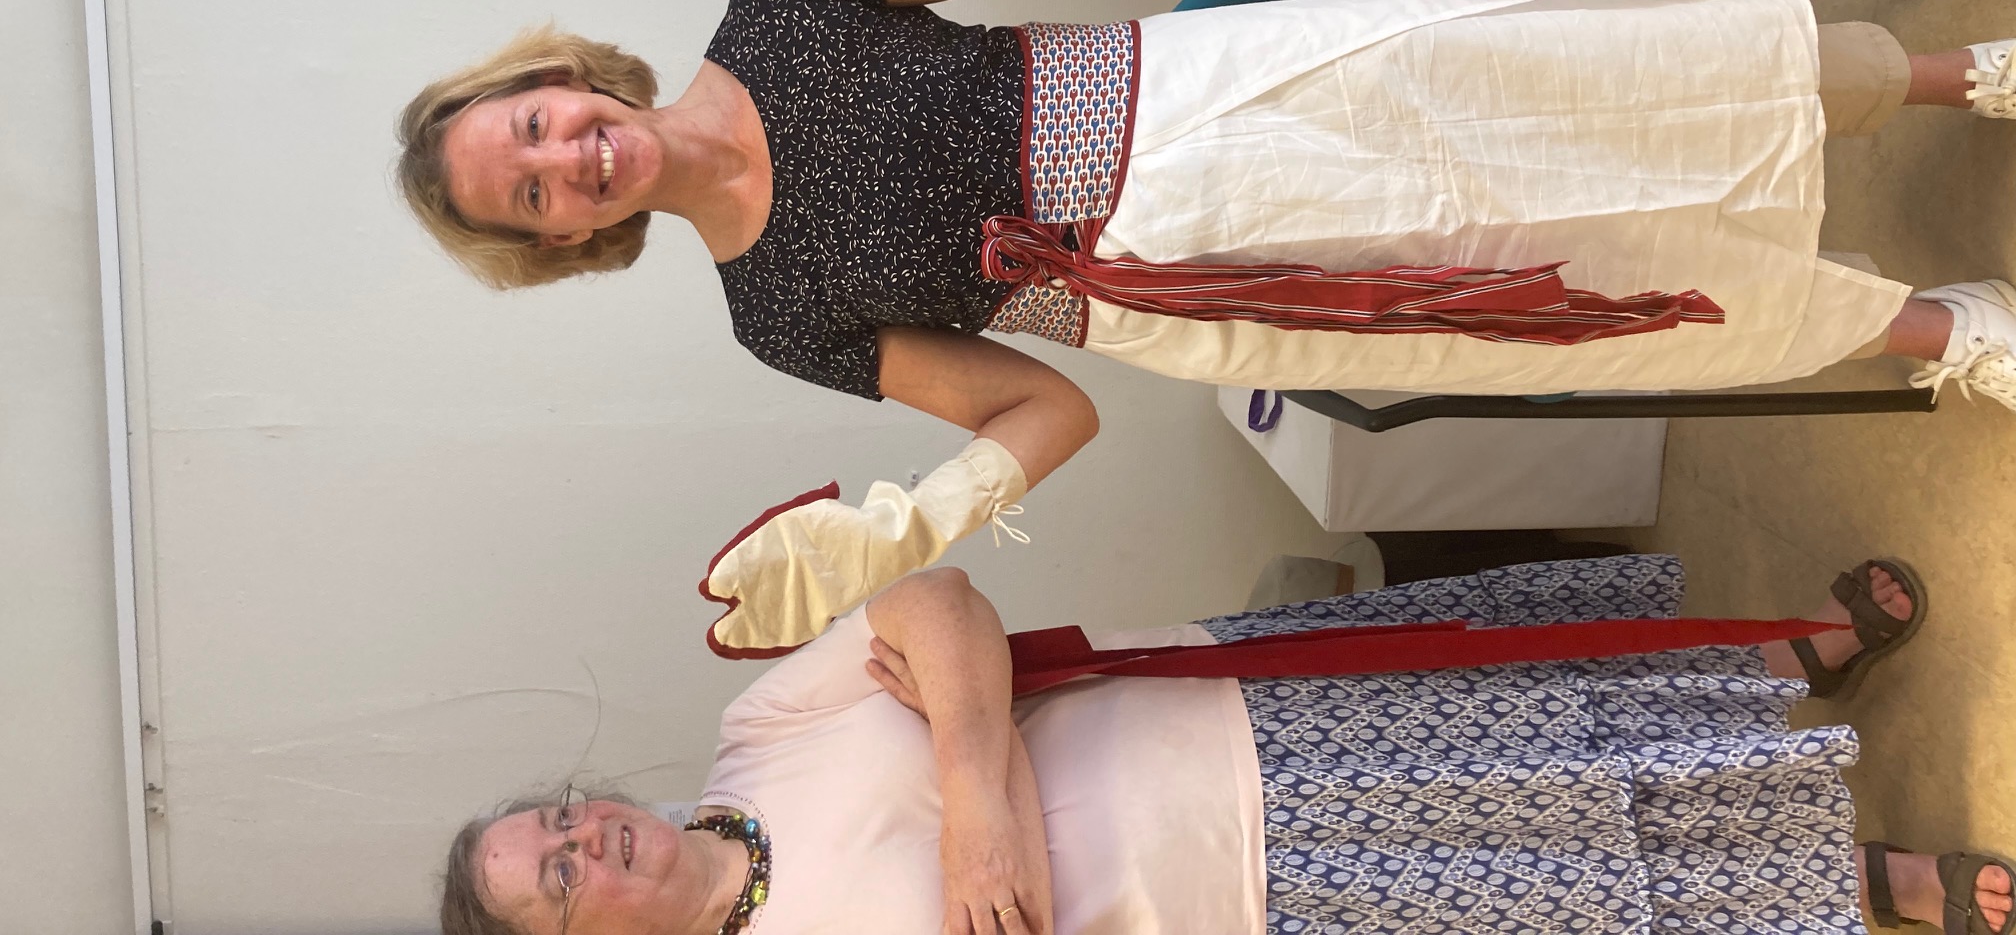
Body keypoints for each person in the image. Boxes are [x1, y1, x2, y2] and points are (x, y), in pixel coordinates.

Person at [394, 0, 2016, 653]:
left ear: (558, 77)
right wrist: (922, 524)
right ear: (558, 247)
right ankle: (1944, 334)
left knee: (1587, 79)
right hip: (1197, 290)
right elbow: (1049, 407)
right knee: (1566, 300)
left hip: (1216, 102)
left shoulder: (777, 7)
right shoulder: (772, 314)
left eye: (533, 126)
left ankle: (1953, 80)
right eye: (530, 196)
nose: (565, 162)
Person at [439, 555, 2016, 935]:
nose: (587, 841)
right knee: (1573, 872)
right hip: (1260, 900)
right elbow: (943, 665)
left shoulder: (752, 735)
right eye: (557, 879)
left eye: (556, 823)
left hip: (1231, 706)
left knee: (1527, 690)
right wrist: (961, 723)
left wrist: (982, 804)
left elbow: (935, 601)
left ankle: (1784, 662)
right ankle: (1868, 881)